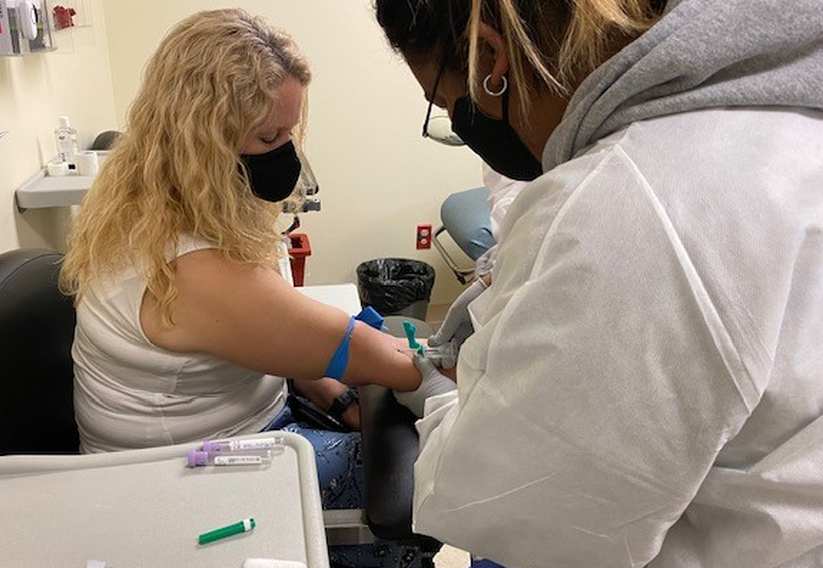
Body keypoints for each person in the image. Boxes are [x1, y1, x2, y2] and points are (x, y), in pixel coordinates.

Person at [375, 0, 823, 567]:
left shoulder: (629, 207)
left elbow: (514, 507)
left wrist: (443, 401)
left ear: (491, 55)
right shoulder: (783, 109)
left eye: (449, 106)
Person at [59, 9, 422, 567]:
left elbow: (274, 340)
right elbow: (386, 360)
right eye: (269, 136)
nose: (286, 153)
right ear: (206, 140)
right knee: (414, 479)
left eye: (290, 133)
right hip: (176, 481)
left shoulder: (151, 199)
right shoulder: (191, 268)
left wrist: (340, 395)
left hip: (225, 430)